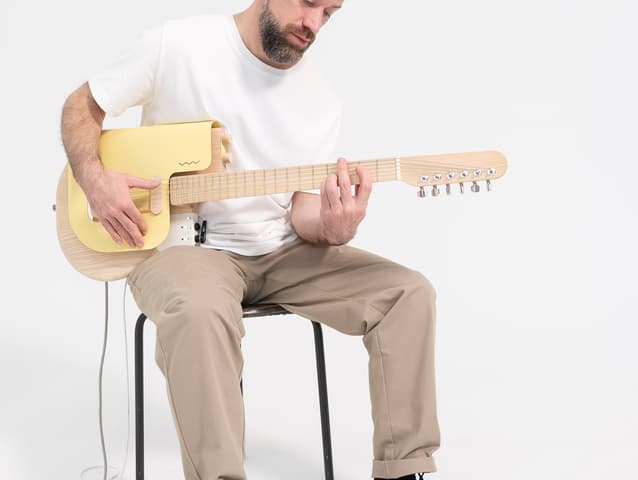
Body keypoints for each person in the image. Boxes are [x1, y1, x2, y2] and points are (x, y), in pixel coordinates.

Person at [60, 1, 439, 479]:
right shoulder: (177, 45)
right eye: (308, 3)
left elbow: (303, 213)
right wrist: (96, 180)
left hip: (283, 253)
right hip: (185, 251)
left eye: (329, 13)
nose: (314, 24)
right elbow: (81, 106)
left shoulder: (320, 100)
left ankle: (405, 470)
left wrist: (334, 228)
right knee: (199, 311)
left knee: (408, 293)